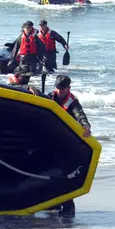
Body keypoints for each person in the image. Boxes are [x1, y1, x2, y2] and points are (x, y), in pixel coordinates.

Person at [47, 74, 91, 217]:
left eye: (63, 89)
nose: (60, 91)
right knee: (50, 171)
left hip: (66, 143)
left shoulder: (73, 102)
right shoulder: (50, 97)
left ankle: (68, 206)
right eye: (58, 88)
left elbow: (80, 115)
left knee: (66, 174)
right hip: (51, 141)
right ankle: (52, 202)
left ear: (68, 88)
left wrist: (86, 126)